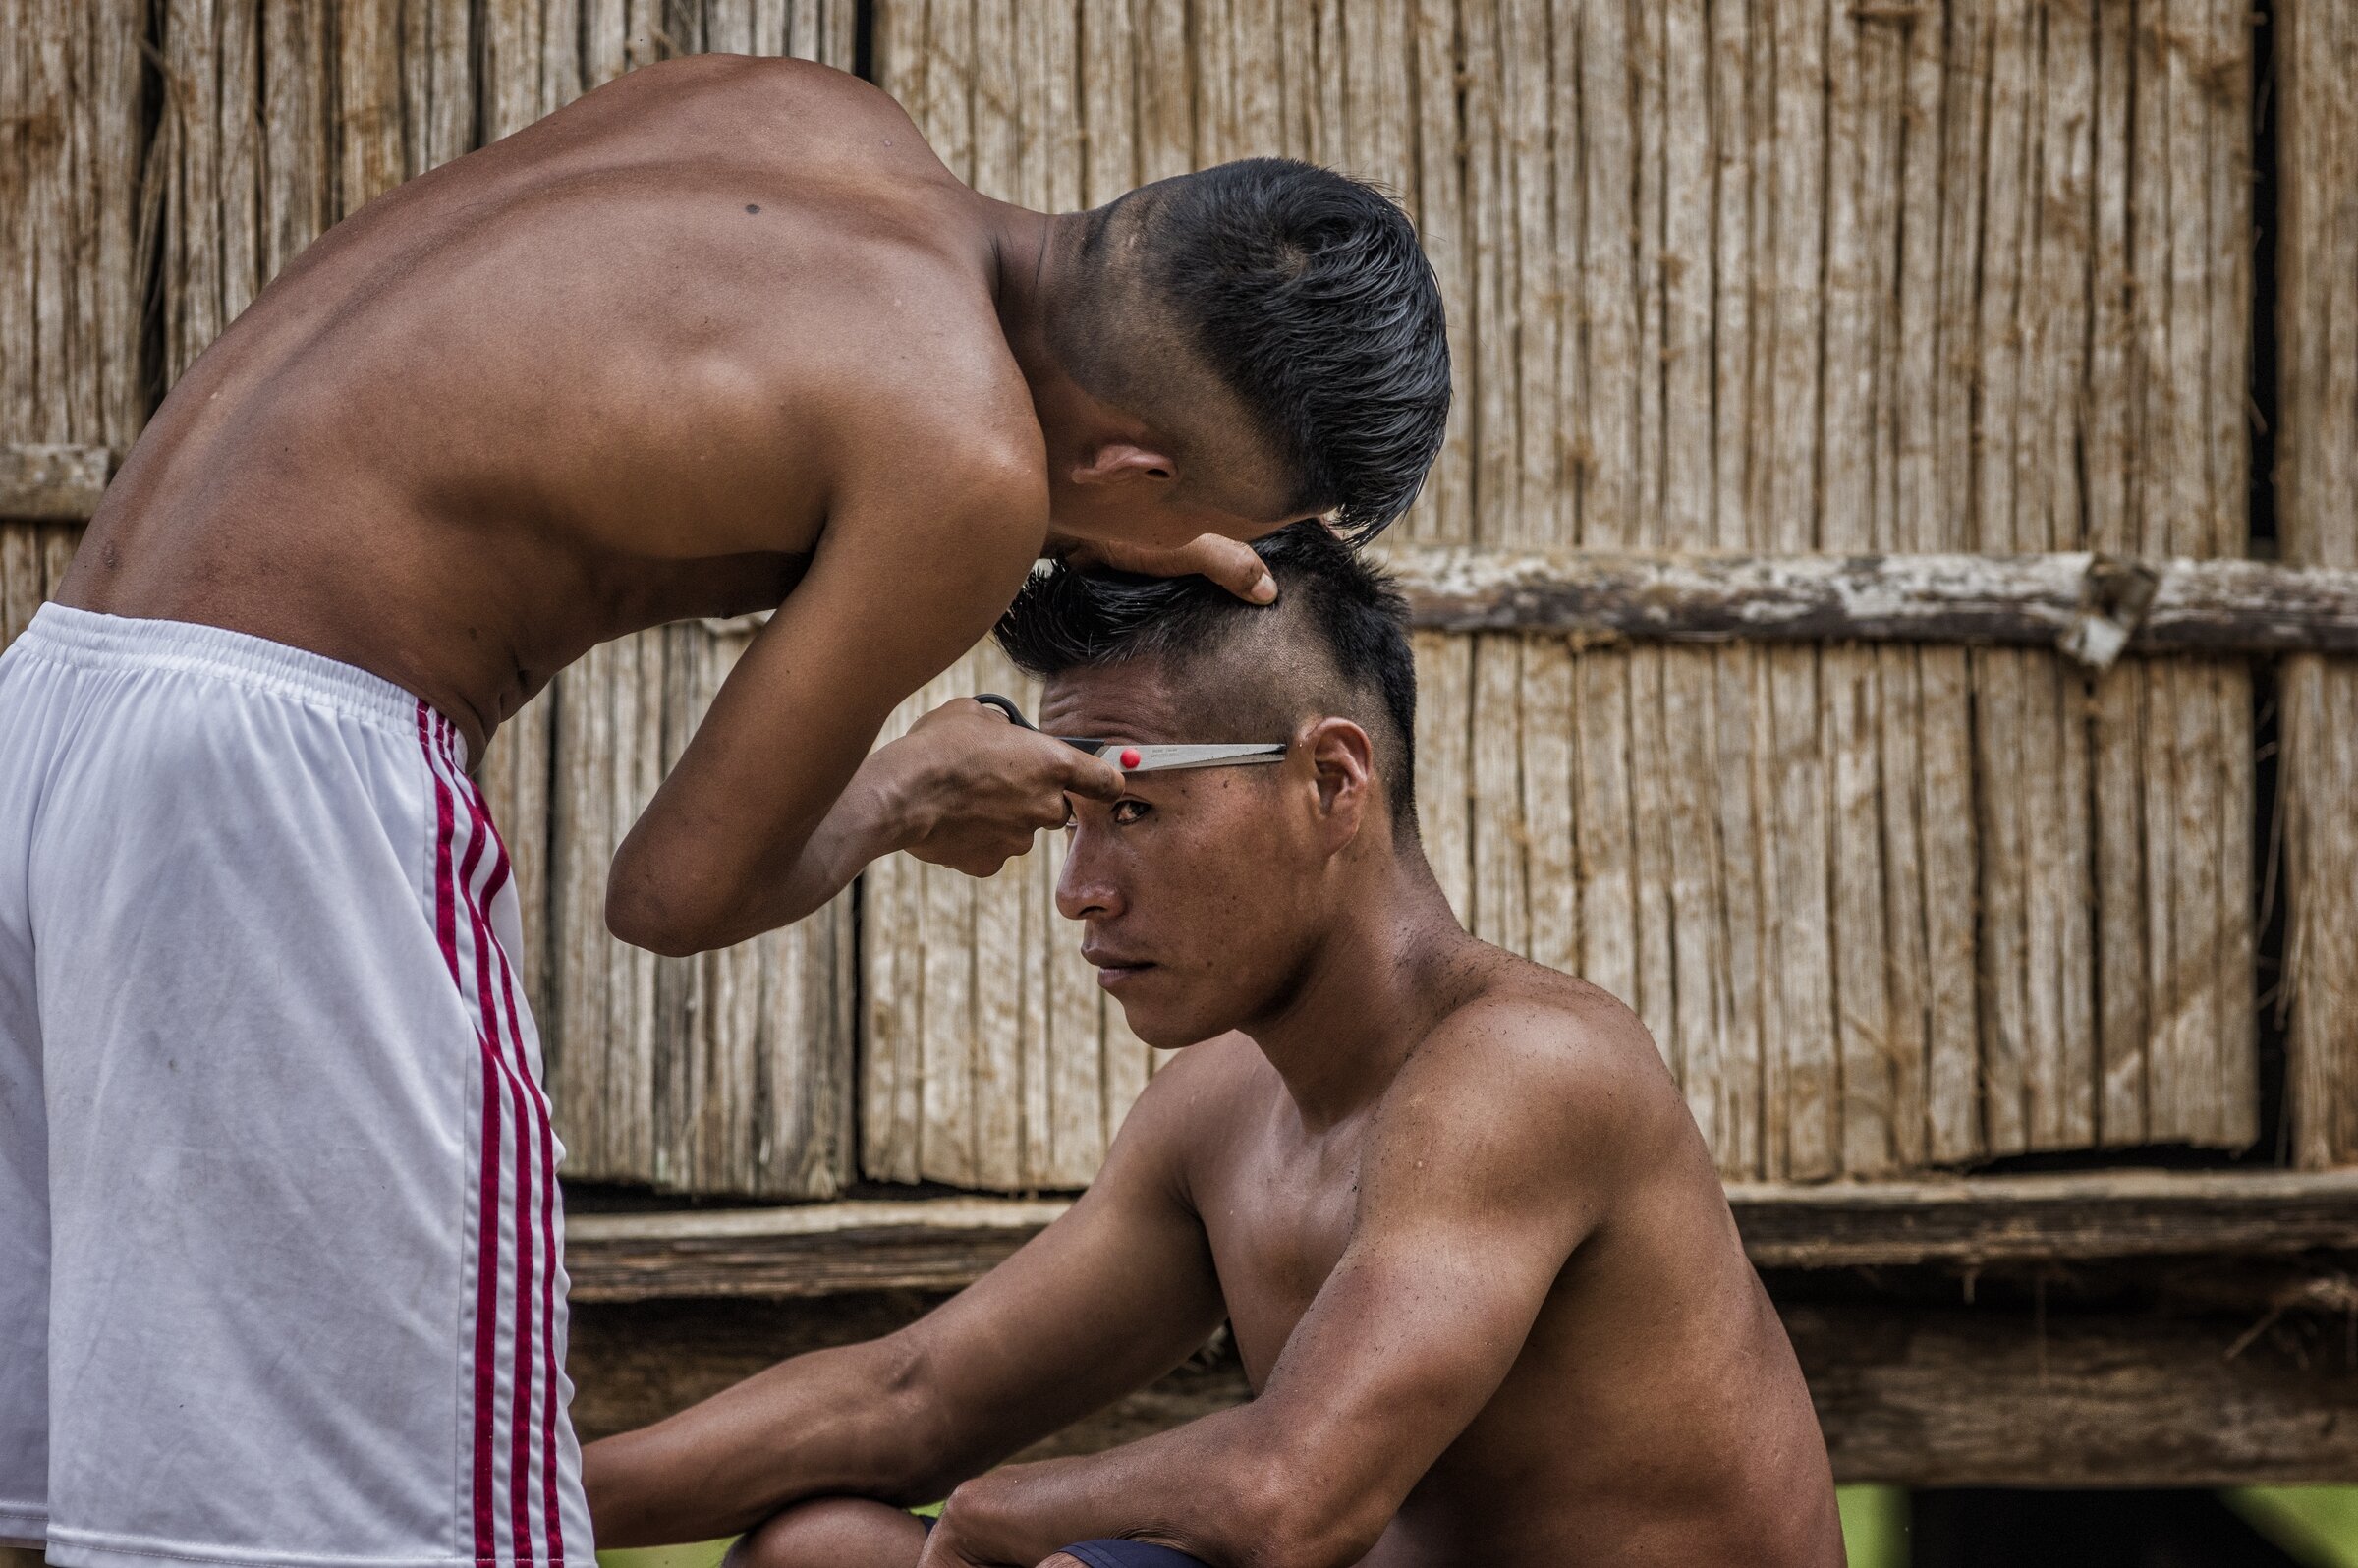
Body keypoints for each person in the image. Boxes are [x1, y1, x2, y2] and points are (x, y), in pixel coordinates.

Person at [0, 53, 1449, 1568]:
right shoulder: (967, 454)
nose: (1197, 559)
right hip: (283, 782)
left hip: (59, 704)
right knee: (418, 1531)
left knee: (93, 1492)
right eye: (1211, 526)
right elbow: (673, 893)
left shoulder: (808, 117)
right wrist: (914, 785)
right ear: (1135, 461)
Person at [582, 524, 1845, 1568]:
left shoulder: (1524, 1072)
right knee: (824, 1557)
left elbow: (1293, 1492)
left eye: (1131, 808)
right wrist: (496, 1524)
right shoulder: (1227, 1111)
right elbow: (913, 1399)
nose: (1078, 890)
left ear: (1333, 783)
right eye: (1072, 820)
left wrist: (998, 1514)